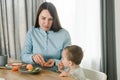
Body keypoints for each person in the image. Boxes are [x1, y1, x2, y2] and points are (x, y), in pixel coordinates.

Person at [21, 2, 71, 71]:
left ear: (54, 19)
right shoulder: (32, 31)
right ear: (38, 17)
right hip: (34, 74)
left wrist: (55, 62)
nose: (46, 23)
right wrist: (33, 58)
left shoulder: (64, 34)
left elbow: (69, 62)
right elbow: (23, 56)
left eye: (50, 19)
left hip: (56, 75)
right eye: (43, 18)